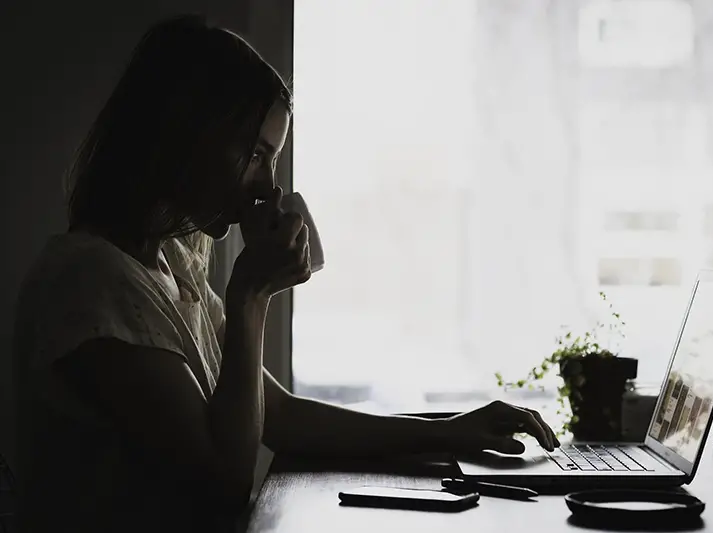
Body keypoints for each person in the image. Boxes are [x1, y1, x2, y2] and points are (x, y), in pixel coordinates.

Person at [12, 15, 558, 533]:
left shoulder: (172, 265)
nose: (268, 186)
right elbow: (224, 479)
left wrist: (450, 432)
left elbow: (280, 415)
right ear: (185, 136)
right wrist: (250, 294)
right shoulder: (90, 283)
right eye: (255, 154)